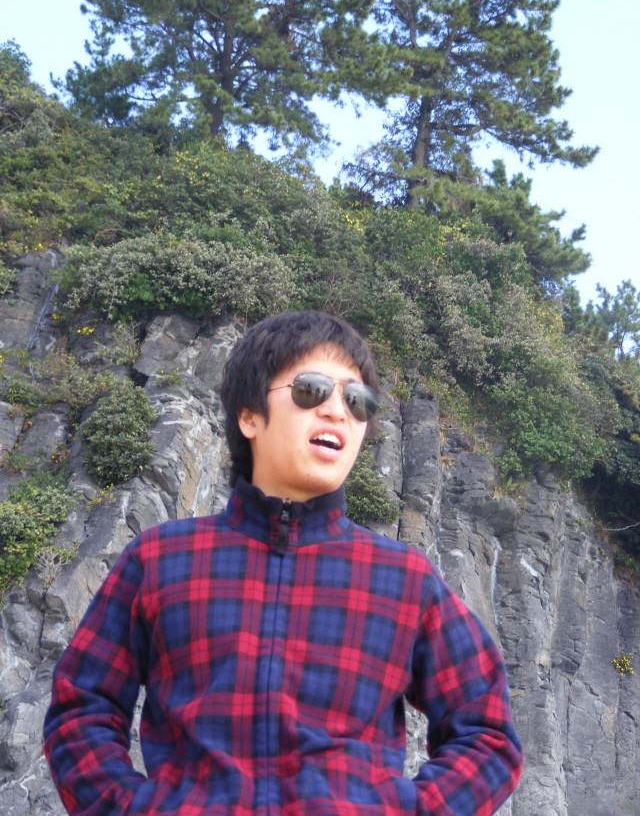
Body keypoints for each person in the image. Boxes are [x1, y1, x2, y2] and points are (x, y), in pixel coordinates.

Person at [44, 310, 522, 816]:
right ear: (250, 415)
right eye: (313, 390)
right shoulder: (161, 559)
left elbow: (487, 734)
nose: (338, 411)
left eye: (358, 401)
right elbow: (81, 708)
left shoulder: (405, 579)